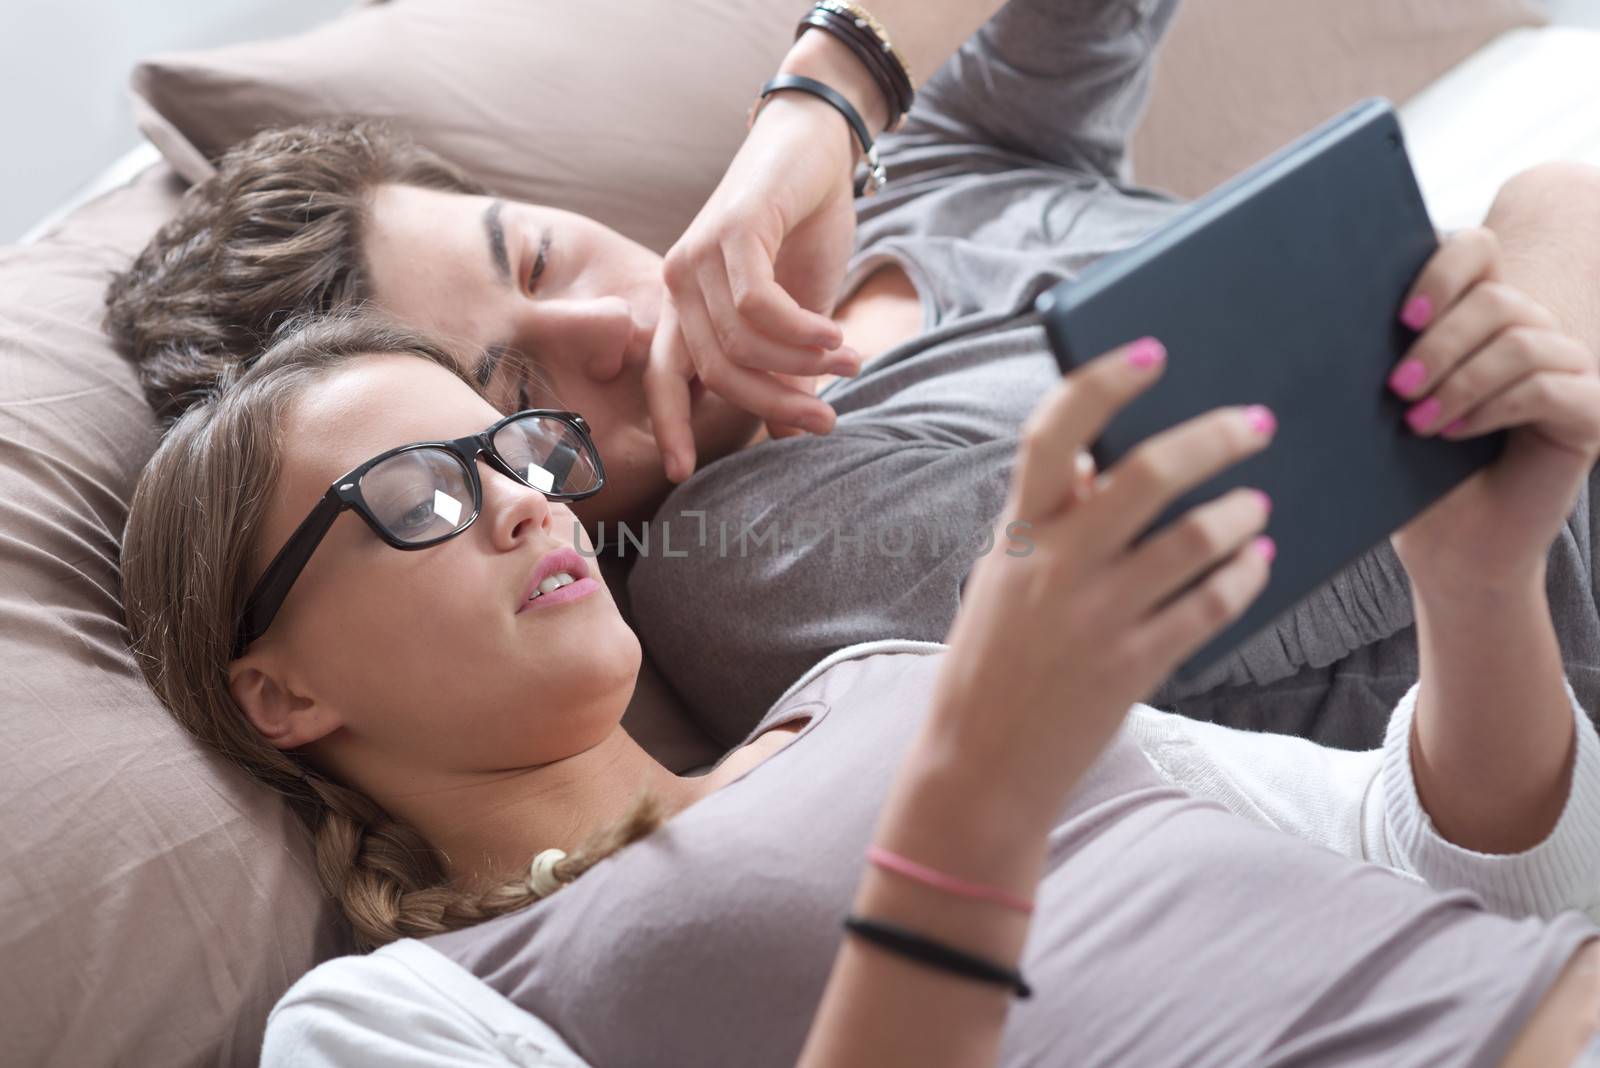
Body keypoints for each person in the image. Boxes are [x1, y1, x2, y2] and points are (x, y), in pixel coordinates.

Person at [120, 293, 1600, 1066]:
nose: (523, 500)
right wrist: (972, 809)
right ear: (277, 694)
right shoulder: (387, 1021)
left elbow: (1470, 872)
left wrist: (1473, 589)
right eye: (415, 499)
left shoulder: (886, 681)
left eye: (514, 452)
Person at [104, 0, 1600, 751]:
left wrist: (822, 110)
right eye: (514, 392)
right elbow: (1384, 514)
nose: (616, 332)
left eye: (547, 259)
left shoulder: (928, 178)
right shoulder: (735, 559)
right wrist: (1544, 236)